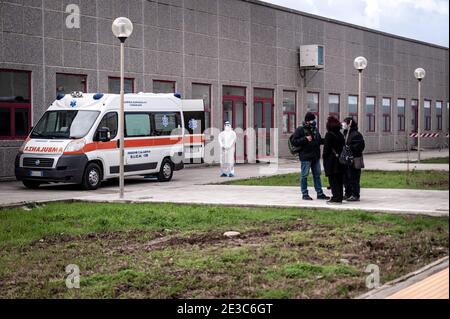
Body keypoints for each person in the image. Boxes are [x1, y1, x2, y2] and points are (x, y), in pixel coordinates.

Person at [292, 112, 330, 201]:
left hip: (315, 156)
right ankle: (305, 194)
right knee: (304, 176)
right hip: (305, 157)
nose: (314, 121)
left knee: (317, 175)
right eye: (312, 120)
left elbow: (319, 140)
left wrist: (328, 140)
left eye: (314, 119)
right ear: (307, 121)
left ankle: (319, 193)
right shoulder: (300, 129)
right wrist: (305, 139)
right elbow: (294, 141)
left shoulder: (315, 129)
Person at [323, 116, 345, 203]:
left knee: (333, 180)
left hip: (331, 161)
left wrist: (324, 157)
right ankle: (340, 196)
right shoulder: (340, 134)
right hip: (340, 160)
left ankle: (335, 197)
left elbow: (326, 150)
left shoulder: (329, 135)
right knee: (340, 179)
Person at [342, 117, 366, 201]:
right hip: (346, 160)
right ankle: (348, 193)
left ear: (350, 124)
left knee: (354, 178)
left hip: (354, 160)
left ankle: (355, 194)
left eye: (345, 122)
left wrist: (349, 148)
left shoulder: (356, 134)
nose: (343, 124)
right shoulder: (345, 133)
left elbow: (360, 147)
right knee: (346, 178)